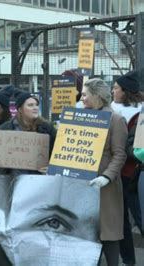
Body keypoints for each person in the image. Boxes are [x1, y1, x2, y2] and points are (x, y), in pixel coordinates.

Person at [81, 78, 128, 266]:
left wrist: (106, 177)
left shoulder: (116, 119)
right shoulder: (81, 117)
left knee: (108, 232)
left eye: (85, 94)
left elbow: (120, 154)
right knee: (85, 231)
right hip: (82, 183)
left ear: (97, 96)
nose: (82, 98)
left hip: (105, 186)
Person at [110, 70, 143, 266]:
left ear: (125, 91)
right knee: (122, 220)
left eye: (116, 88)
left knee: (138, 217)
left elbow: (137, 149)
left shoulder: (141, 114)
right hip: (119, 173)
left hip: (134, 174)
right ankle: (128, 260)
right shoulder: (112, 110)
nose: (113, 91)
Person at [0, 90, 56, 175]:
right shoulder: (5, 128)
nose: (35, 108)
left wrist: (51, 167)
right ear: (20, 109)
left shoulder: (46, 128)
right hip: (13, 181)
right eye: (30, 105)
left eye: (36, 105)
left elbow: (57, 152)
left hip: (39, 180)